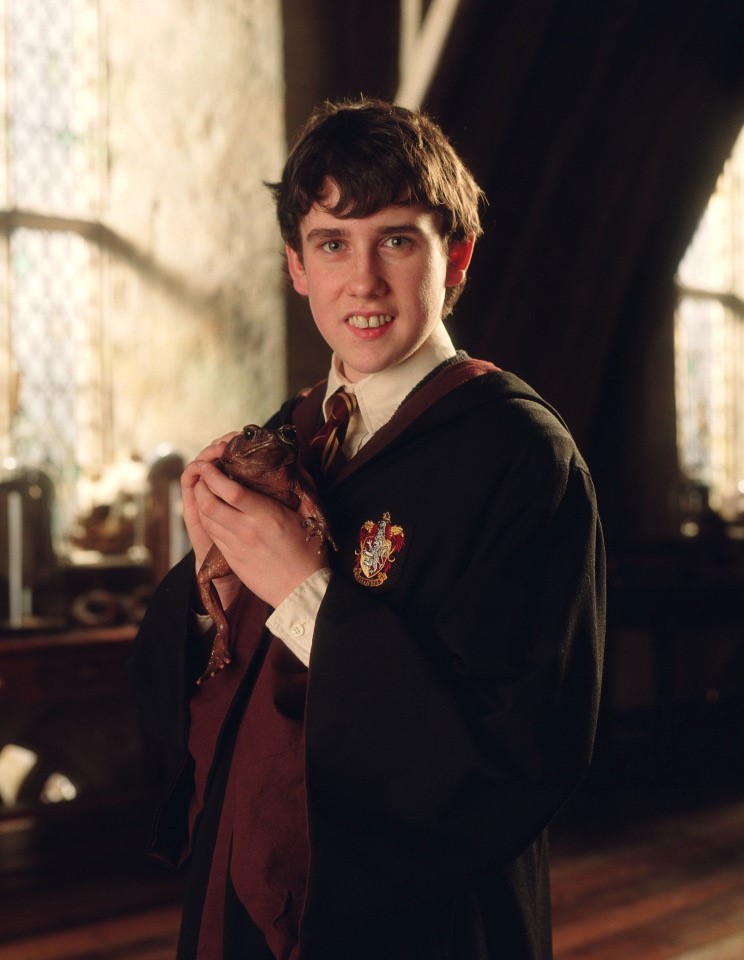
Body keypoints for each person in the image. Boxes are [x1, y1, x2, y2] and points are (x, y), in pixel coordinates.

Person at [130, 97, 605, 960]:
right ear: (296, 265)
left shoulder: (520, 454)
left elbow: (522, 746)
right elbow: (189, 680)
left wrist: (304, 592)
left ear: (456, 256)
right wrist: (212, 585)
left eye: (396, 240)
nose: (363, 282)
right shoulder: (292, 429)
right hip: (243, 881)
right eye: (332, 244)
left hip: (413, 920)